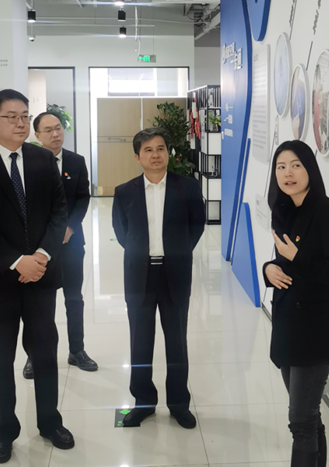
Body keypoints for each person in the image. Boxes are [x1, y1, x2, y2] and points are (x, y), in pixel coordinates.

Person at [0, 89, 73, 464]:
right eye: (12, 117)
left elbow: (58, 212)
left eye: (25, 115)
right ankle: (3, 432)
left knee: (45, 354)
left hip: (40, 276)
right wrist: (15, 261)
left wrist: (40, 256)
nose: (21, 123)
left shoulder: (42, 159)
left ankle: (50, 423)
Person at [263, 140, 329, 467]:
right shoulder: (284, 210)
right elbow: (283, 264)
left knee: (300, 421)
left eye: (295, 165)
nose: (287, 173)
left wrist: (297, 257)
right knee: (308, 418)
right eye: (281, 167)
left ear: (309, 170)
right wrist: (268, 269)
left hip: (316, 331)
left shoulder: (328, 212)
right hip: (289, 326)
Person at [111, 127, 205, 429]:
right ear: (137, 157)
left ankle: (179, 404)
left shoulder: (188, 187)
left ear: (169, 153)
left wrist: (177, 252)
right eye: (148, 150)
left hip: (175, 273)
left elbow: (197, 226)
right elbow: (122, 232)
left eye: (160, 148)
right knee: (140, 342)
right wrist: (143, 253)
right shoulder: (124, 191)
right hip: (139, 274)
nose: (155, 155)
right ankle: (143, 402)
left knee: (177, 341)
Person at [22, 112, 97, 379]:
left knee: (74, 299)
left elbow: (83, 198)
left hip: (71, 243)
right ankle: (36, 355)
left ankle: (77, 350)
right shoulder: (27, 163)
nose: (56, 134)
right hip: (39, 246)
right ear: (37, 135)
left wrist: (70, 227)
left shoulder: (76, 161)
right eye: (49, 130)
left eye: (59, 128)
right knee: (40, 303)